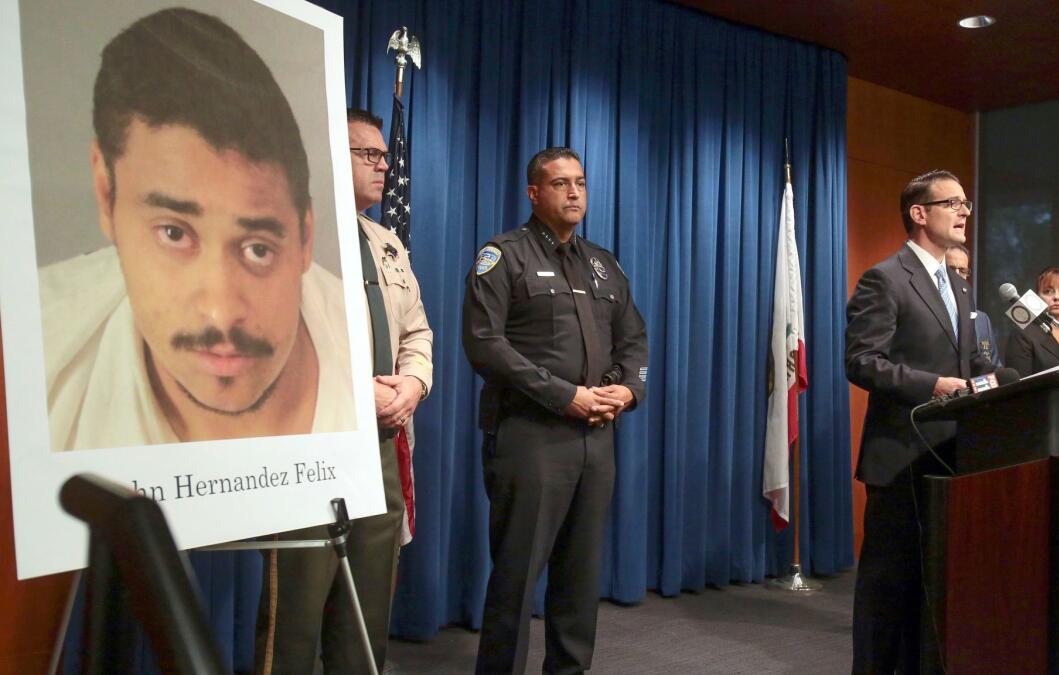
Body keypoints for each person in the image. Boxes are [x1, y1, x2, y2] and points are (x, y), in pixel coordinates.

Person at [38, 7, 354, 452]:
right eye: (174, 233)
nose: (221, 313)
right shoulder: (37, 356)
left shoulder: (352, 344)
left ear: (305, 235)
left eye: (258, 249)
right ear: (105, 192)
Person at [254, 109, 433, 674]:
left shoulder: (387, 245)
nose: (385, 166)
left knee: (365, 618)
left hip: (383, 445)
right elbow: (273, 342)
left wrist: (413, 383)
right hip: (315, 445)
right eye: (369, 155)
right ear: (334, 155)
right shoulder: (288, 235)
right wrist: (359, 394)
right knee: (296, 620)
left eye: (385, 156)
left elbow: (418, 331)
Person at [462, 147, 649, 674]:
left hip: (596, 436)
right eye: (561, 183)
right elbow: (484, 344)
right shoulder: (504, 256)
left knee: (580, 577)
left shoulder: (603, 263)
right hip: (530, 436)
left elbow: (634, 340)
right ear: (534, 193)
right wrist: (562, 394)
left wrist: (627, 390)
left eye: (581, 183)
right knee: (517, 580)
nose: (574, 193)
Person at [844, 170, 994, 673]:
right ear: (919, 213)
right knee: (888, 593)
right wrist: (935, 385)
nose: (964, 212)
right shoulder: (885, 278)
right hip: (901, 458)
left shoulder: (960, 287)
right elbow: (862, 361)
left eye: (965, 204)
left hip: (954, 459)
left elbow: (970, 366)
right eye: (952, 203)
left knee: (935, 590)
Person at [946, 244, 1002, 366]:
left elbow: (994, 365)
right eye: (950, 269)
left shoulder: (982, 320)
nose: (956, 275)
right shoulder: (930, 313)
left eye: (962, 270)